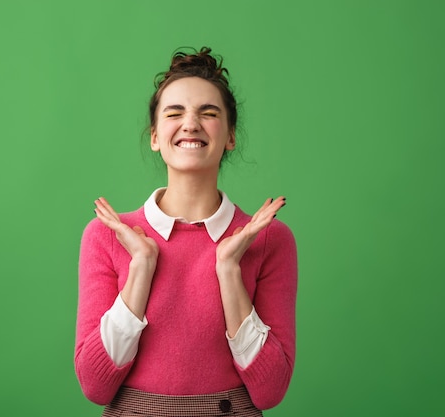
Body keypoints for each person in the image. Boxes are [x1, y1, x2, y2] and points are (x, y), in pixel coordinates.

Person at [75, 47, 298, 417]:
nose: (190, 124)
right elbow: (95, 386)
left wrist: (228, 271)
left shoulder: (269, 238)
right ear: (155, 136)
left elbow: (270, 391)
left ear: (230, 136)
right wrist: (142, 266)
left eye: (208, 114)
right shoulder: (106, 236)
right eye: (174, 113)